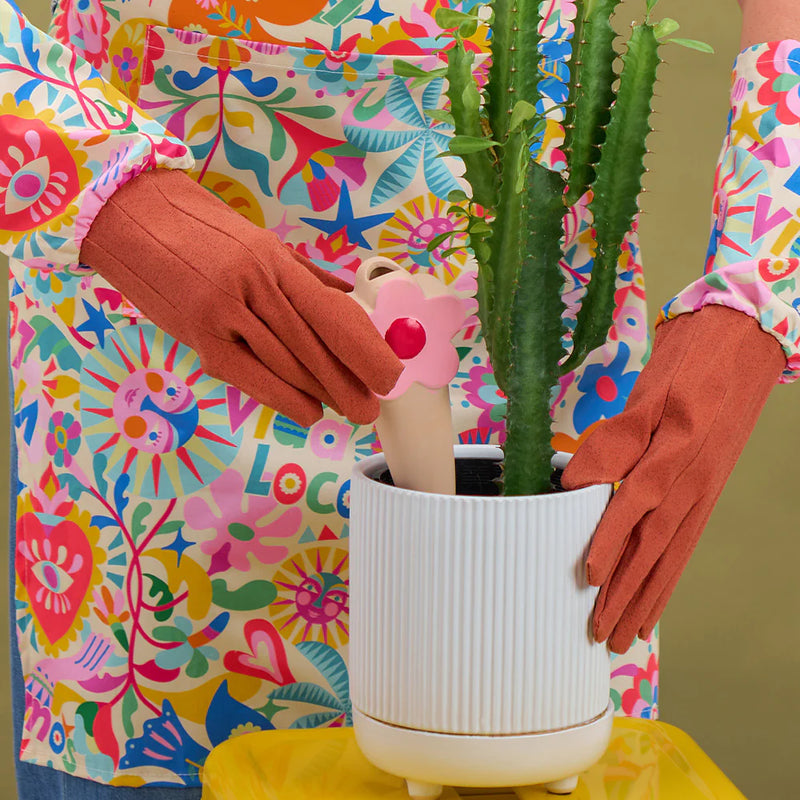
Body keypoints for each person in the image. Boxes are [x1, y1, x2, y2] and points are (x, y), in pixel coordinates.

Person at [0, 0, 795, 797]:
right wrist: (95, 180)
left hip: (536, 344)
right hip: (145, 384)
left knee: (525, 738)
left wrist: (760, 275)